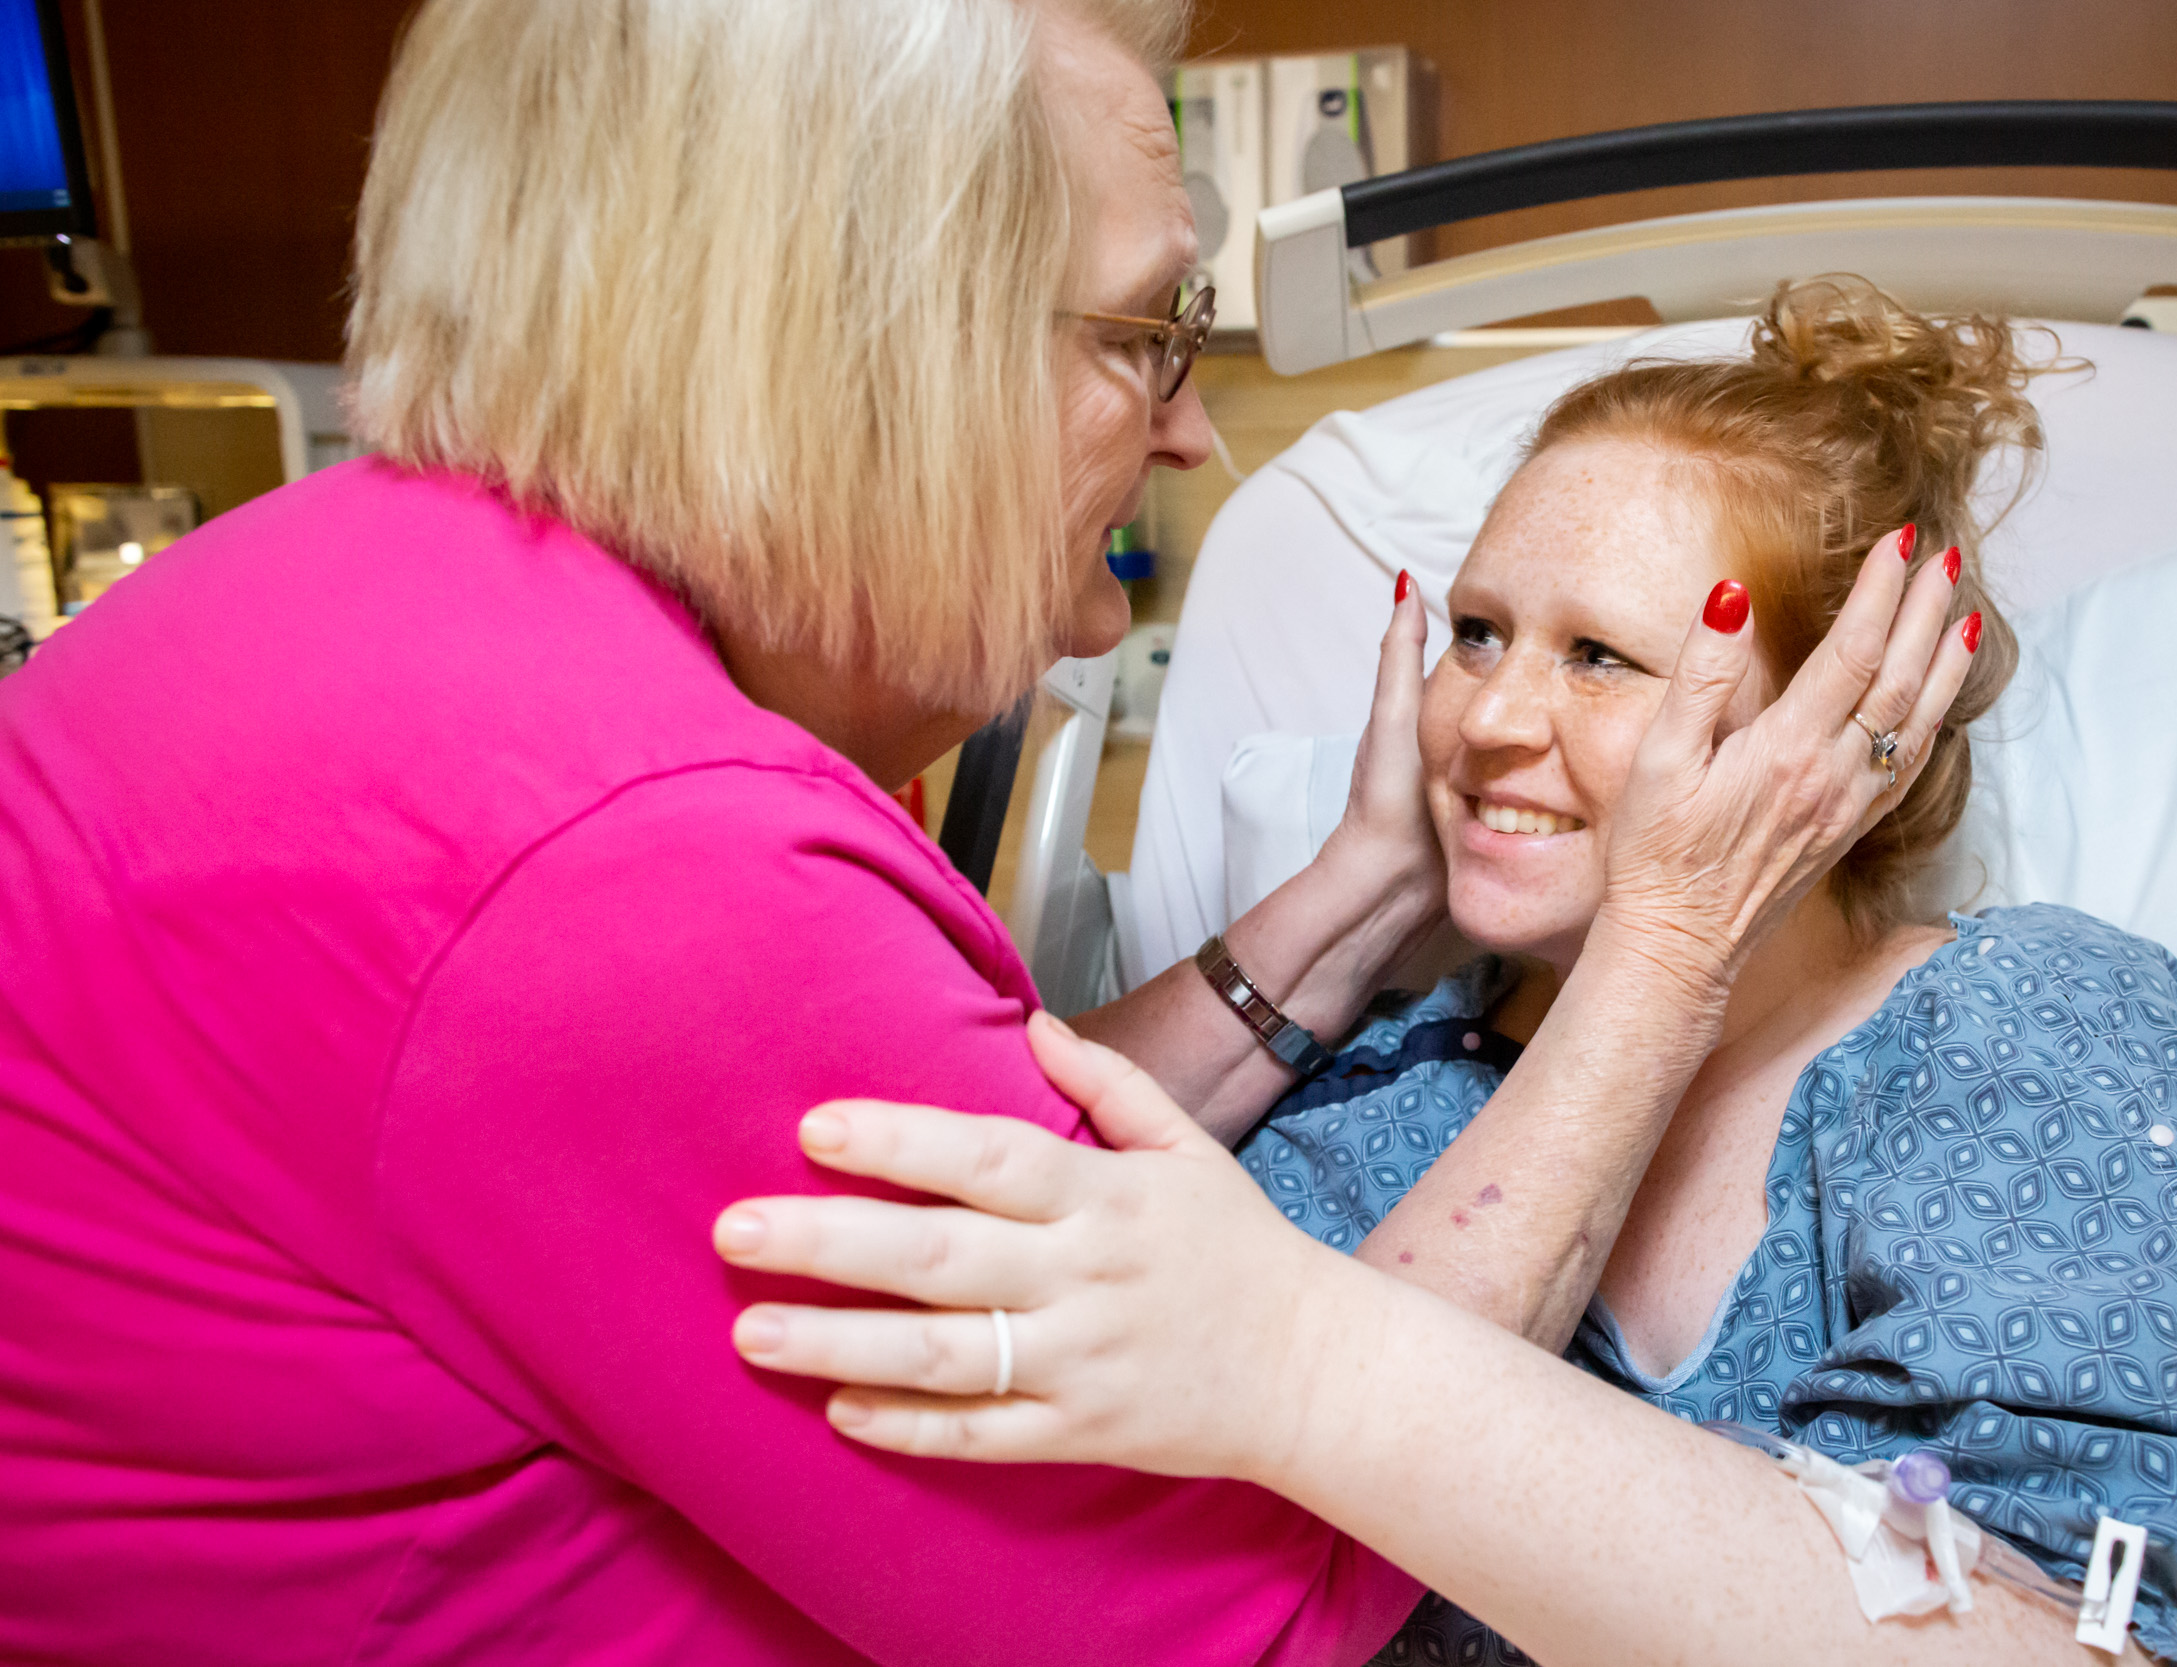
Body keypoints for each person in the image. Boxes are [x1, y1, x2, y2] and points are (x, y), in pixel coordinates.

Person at [0, 5, 1972, 1664]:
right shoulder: (634, 873)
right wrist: (1663, 947)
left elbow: (947, 1191)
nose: (1190, 430)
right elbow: (1254, 1615)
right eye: (1143, 333)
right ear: (860, 348)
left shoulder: (382, 600)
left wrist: (1363, 892)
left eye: (1606, 659)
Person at [714, 285, 2177, 1667]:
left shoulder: (2022, 1038)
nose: (1492, 718)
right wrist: (1369, 890)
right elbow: (1135, 1579)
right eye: (1478, 633)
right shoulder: (1384, 1110)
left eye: (1600, 656)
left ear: (1843, 724)